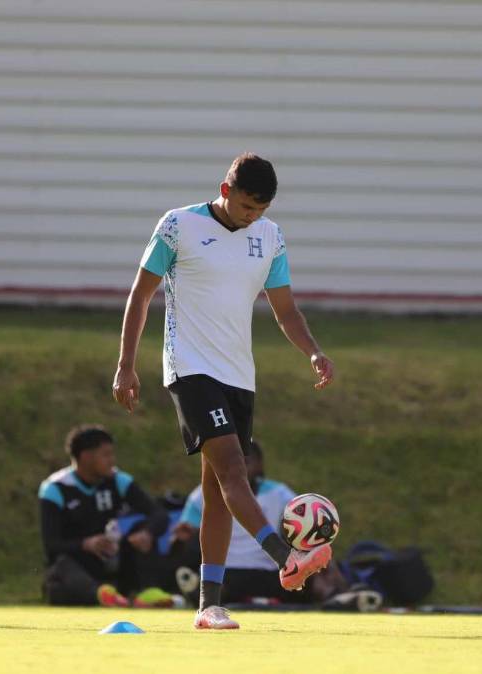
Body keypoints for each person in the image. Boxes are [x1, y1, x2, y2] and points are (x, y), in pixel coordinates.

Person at [112, 152, 336, 630]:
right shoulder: (178, 226)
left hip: (239, 374)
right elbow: (142, 293)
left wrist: (313, 351)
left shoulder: (270, 237)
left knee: (217, 491)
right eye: (247, 207)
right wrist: (125, 366)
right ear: (226, 189)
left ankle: (208, 606)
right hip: (190, 368)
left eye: (261, 210)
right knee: (236, 469)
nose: (253, 217)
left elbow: (286, 311)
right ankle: (286, 558)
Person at [171, 440, 342, 605]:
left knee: (305, 579)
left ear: (259, 464)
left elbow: (306, 530)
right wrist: (182, 538)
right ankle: (204, 594)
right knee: (203, 573)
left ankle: (338, 597)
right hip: (226, 573)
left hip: (273, 573)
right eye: (236, 460)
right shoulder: (203, 494)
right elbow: (180, 540)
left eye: (246, 460)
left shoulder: (280, 494)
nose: (242, 466)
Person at [38, 425, 170, 607]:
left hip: (110, 560)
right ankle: (100, 594)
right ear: (85, 457)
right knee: (60, 567)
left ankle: (145, 592)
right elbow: (51, 545)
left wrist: (147, 533)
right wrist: (86, 544)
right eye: (106, 455)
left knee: (141, 528)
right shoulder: (56, 488)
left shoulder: (117, 480)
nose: (112, 461)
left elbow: (159, 513)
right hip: (78, 567)